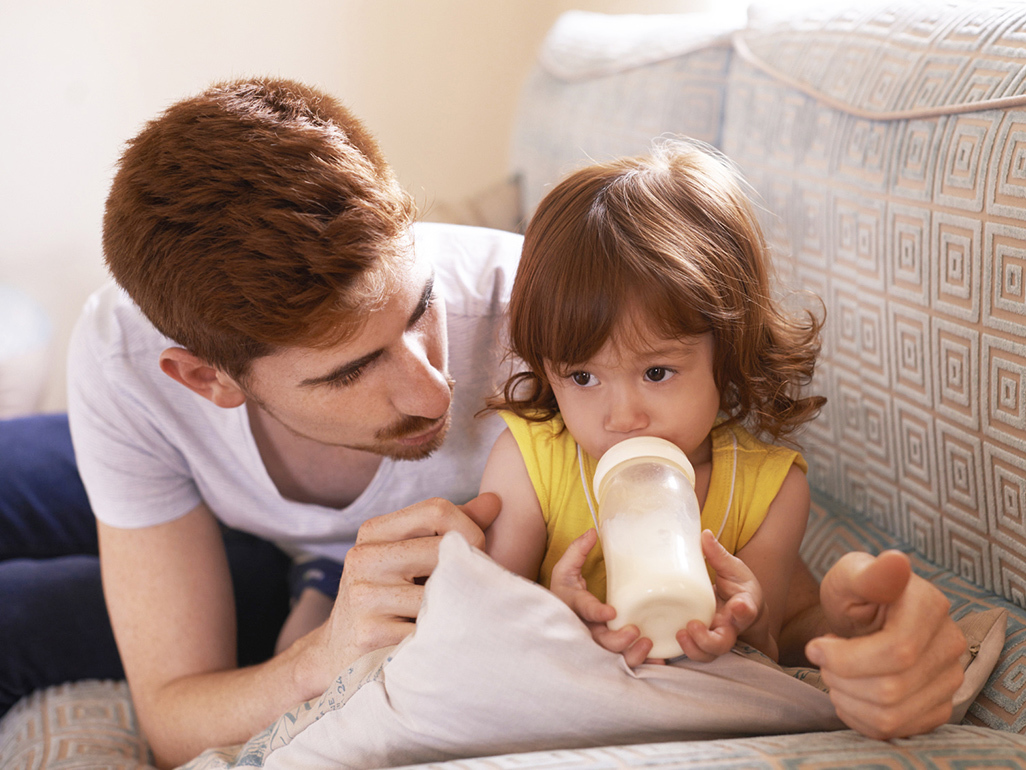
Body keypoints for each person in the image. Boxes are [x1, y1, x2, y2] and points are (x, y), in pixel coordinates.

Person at [0, 78, 964, 768]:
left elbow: (769, 591)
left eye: (418, 310)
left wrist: (864, 638)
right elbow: (173, 722)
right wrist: (330, 653)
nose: (431, 390)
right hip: (232, 528)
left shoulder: (565, 320)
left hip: (313, 582)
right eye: (351, 370)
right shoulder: (130, 365)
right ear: (205, 378)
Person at [481, 140, 823, 664]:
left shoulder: (772, 491)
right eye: (582, 376)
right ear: (546, 367)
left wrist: (744, 626)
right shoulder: (529, 465)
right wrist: (558, 613)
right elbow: (487, 625)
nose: (623, 418)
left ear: (726, 353)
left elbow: (765, 652)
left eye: (657, 372)